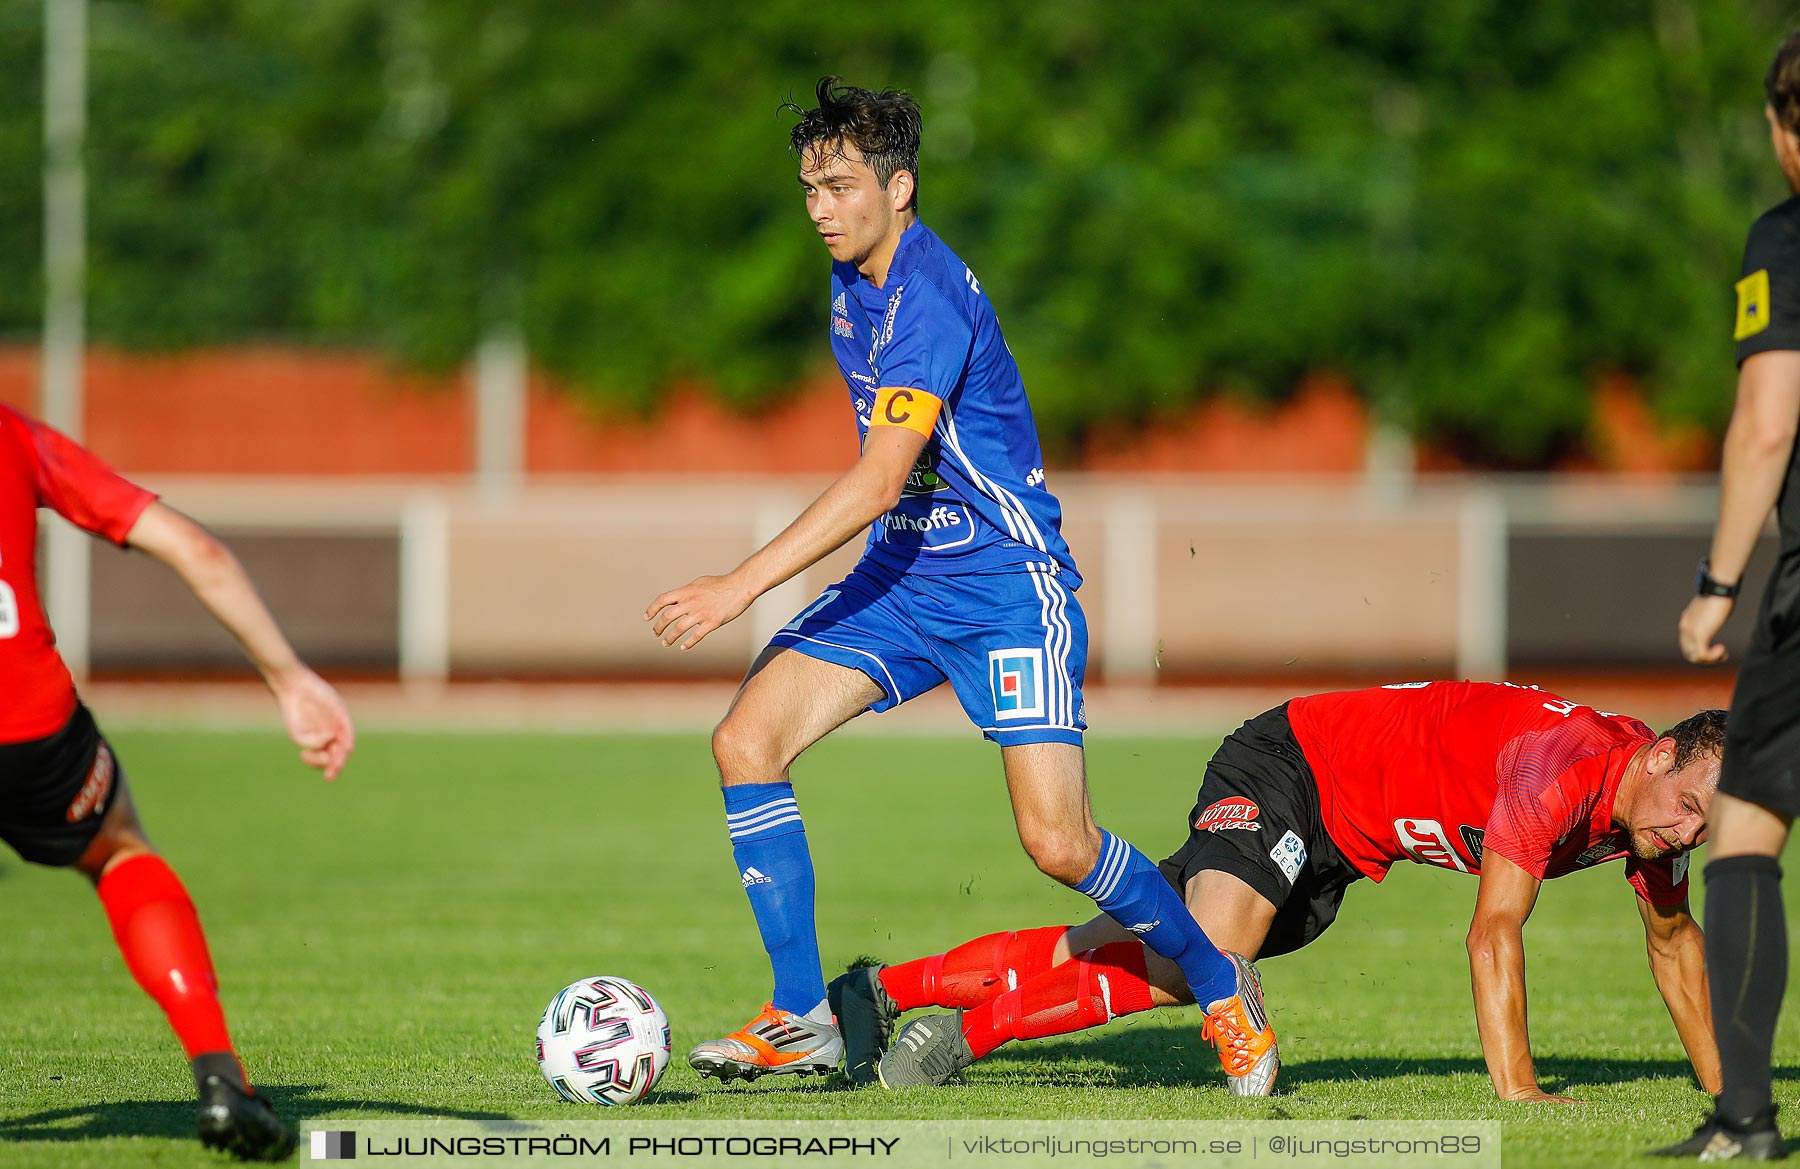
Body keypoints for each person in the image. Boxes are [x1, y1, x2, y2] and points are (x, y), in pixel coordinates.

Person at [645, 77, 1257, 1089]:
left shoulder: (923, 298)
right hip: (908, 574)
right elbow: (897, 486)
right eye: (809, 187)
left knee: (1058, 842)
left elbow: (883, 474)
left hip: (1008, 586)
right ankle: (802, 1011)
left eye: (838, 186)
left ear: (902, 187)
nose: (818, 208)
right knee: (745, 739)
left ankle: (1218, 980)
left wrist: (740, 584)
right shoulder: (853, 282)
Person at [832, 681, 1724, 1103]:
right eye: (1687, 806)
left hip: (1341, 842)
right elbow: (1492, 934)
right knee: (1209, 959)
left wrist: (1728, 1090)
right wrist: (1520, 1091)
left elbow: (1675, 940)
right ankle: (962, 1037)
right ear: (1657, 755)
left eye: (1702, 828)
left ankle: (892, 990)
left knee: (1154, 953)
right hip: (1292, 762)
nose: (1686, 832)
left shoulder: (1645, 813)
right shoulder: (1560, 774)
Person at [0, 405, 355, 1161]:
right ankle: (222, 1077)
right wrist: (289, 679)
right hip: (28, 728)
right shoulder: (13, 436)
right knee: (118, 849)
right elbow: (193, 546)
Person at [1653, 29, 1800, 1164]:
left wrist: (1717, 583)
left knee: (1745, 834)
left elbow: (1766, 420)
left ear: (1780, 129)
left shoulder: (1784, 239)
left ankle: (1744, 1116)